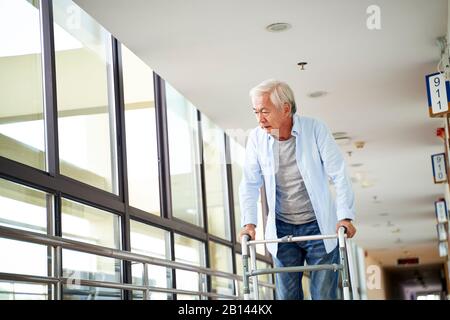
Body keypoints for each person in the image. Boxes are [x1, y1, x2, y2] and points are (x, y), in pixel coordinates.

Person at [239, 79, 356, 300]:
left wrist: (345, 217)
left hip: (319, 227)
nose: (259, 119)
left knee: (323, 295)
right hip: (282, 229)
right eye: (255, 112)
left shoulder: (315, 129)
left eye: (265, 111)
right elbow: (249, 183)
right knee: (287, 297)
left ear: (285, 108)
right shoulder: (256, 138)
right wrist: (249, 225)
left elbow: (338, 173)